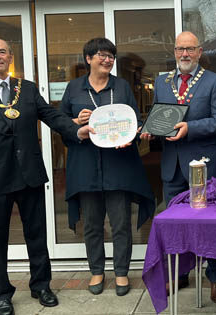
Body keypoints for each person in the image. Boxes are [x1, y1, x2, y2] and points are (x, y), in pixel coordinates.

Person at [0, 38, 81, 315]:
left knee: (37, 234)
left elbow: (51, 115)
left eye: (2, 52)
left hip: (30, 176)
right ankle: (0, 294)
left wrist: (77, 131)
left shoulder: (27, 89)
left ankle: (41, 285)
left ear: (10, 56)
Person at [140, 31, 216, 304]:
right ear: (175, 51)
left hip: (205, 165)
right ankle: (179, 273)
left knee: (211, 225)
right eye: (180, 48)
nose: (185, 54)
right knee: (175, 225)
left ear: (200, 52)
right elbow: (160, 115)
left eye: (190, 49)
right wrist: (150, 130)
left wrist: (190, 128)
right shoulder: (162, 81)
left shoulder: (214, 82)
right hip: (172, 168)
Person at [61, 37, 155, 297]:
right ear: (88, 58)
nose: (107, 59)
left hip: (119, 165)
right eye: (102, 55)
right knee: (91, 223)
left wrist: (132, 137)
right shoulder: (74, 88)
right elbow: (61, 124)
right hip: (86, 166)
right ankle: (97, 271)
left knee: (121, 222)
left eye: (111, 55)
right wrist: (74, 121)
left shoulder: (121, 86)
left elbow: (132, 120)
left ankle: (122, 272)